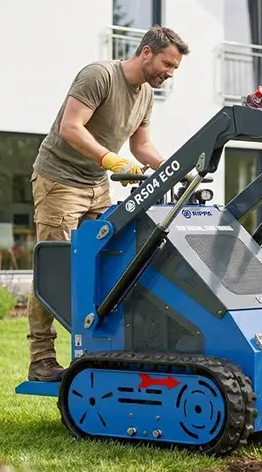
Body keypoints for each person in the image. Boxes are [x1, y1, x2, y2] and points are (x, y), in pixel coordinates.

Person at [25, 24, 189, 381]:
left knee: (112, 262)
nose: (169, 73)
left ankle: (103, 350)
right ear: (146, 52)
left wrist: (174, 169)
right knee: (54, 268)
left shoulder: (145, 93)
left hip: (98, 185)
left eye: (174, 68)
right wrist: (107, 159)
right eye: (167, 63)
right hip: (60, 181)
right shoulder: (99, 75)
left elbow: (140, 147)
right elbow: (71, 126)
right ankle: (41, 360)